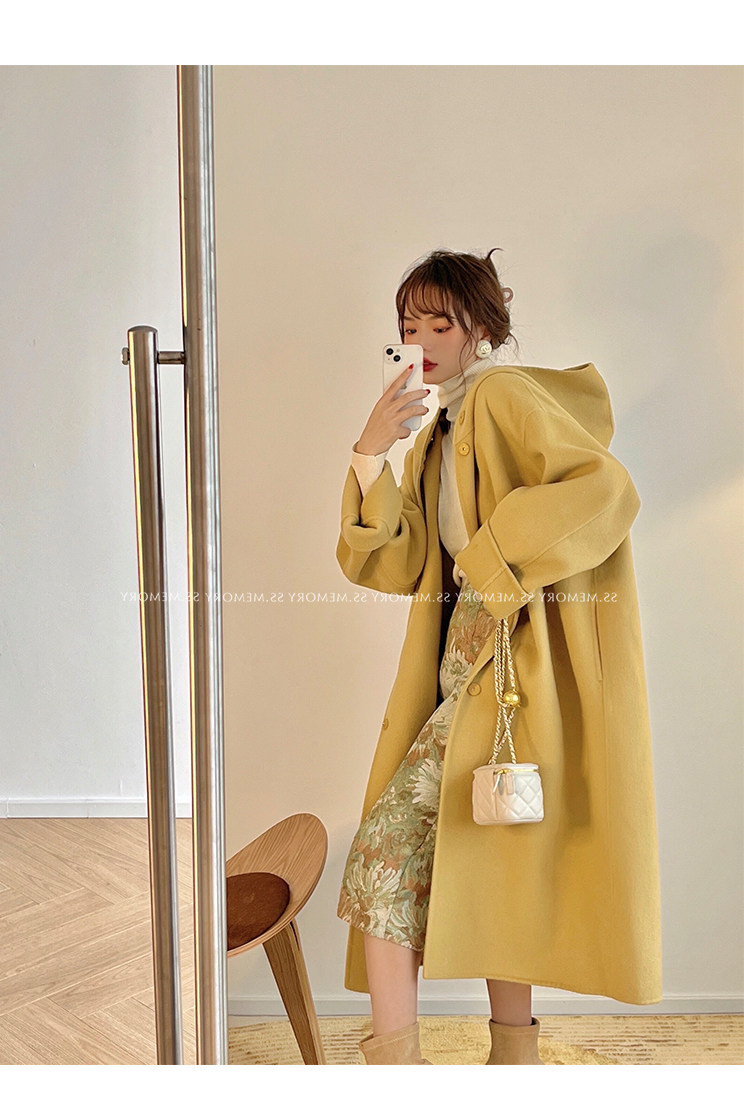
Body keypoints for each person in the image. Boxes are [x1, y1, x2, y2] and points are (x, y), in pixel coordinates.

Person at [334, 248, 663, 1066]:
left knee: (386, 856)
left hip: (512, 667)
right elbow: (394, 563)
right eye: (409, 326)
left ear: (480, 329)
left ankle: (401, 1067)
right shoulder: (435, 433)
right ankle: (511, 1063)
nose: (422, 341)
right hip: (462, 669)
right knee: (494, 857)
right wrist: (371, 452)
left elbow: (606, 488)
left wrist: (489, 560)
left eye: (439, 324)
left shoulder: (501, 395)